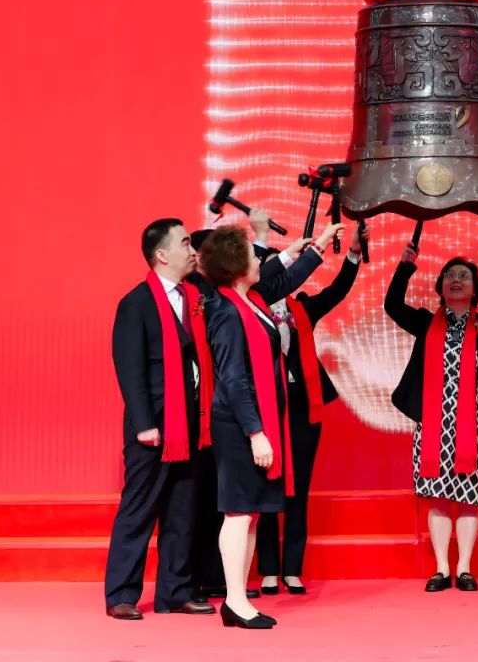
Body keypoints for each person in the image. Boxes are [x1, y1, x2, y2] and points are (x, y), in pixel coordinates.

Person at [203, 223, 344, 629]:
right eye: (253, 254)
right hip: (238, 427)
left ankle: (236, 600)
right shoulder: (227, 311)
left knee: (247, 514)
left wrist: (317, 248)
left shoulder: (251, 299)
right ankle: (234, 601)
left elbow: (287, 278)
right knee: (238, 514)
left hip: (254, 422)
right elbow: (233, 381)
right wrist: (256, 433)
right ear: (236, 265)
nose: (259, 260)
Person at [104, 219, 216, 620]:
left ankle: (176, 591)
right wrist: (143, 424)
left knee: (182, 510)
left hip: (190, 424)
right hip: (153, 427)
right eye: (185, 243)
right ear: (162, 254)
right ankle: (121, 594)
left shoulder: (195, 296)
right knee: (139, 509)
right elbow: (129, 368)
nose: (192, 250)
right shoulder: (135, 303)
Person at [384, 245, 478, 592]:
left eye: (464, 277)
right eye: (450, 276)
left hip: (473, 426)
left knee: (469, 498)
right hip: (433, 427)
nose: (456, 280)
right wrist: (405, 266)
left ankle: (465, 569)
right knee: (438, 497)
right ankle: (441, 569)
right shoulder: (426, 323)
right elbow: (392, 305)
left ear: (475, 289)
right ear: (440, 286)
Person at [256, 223, 369, 595]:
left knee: (298, 488)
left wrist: (353, 253)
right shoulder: (249, 309)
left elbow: (338, 290)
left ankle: (292, 569)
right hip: (266, 408)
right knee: (267, 487)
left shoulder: (301, 308)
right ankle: (268, 569)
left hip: (302, 406)